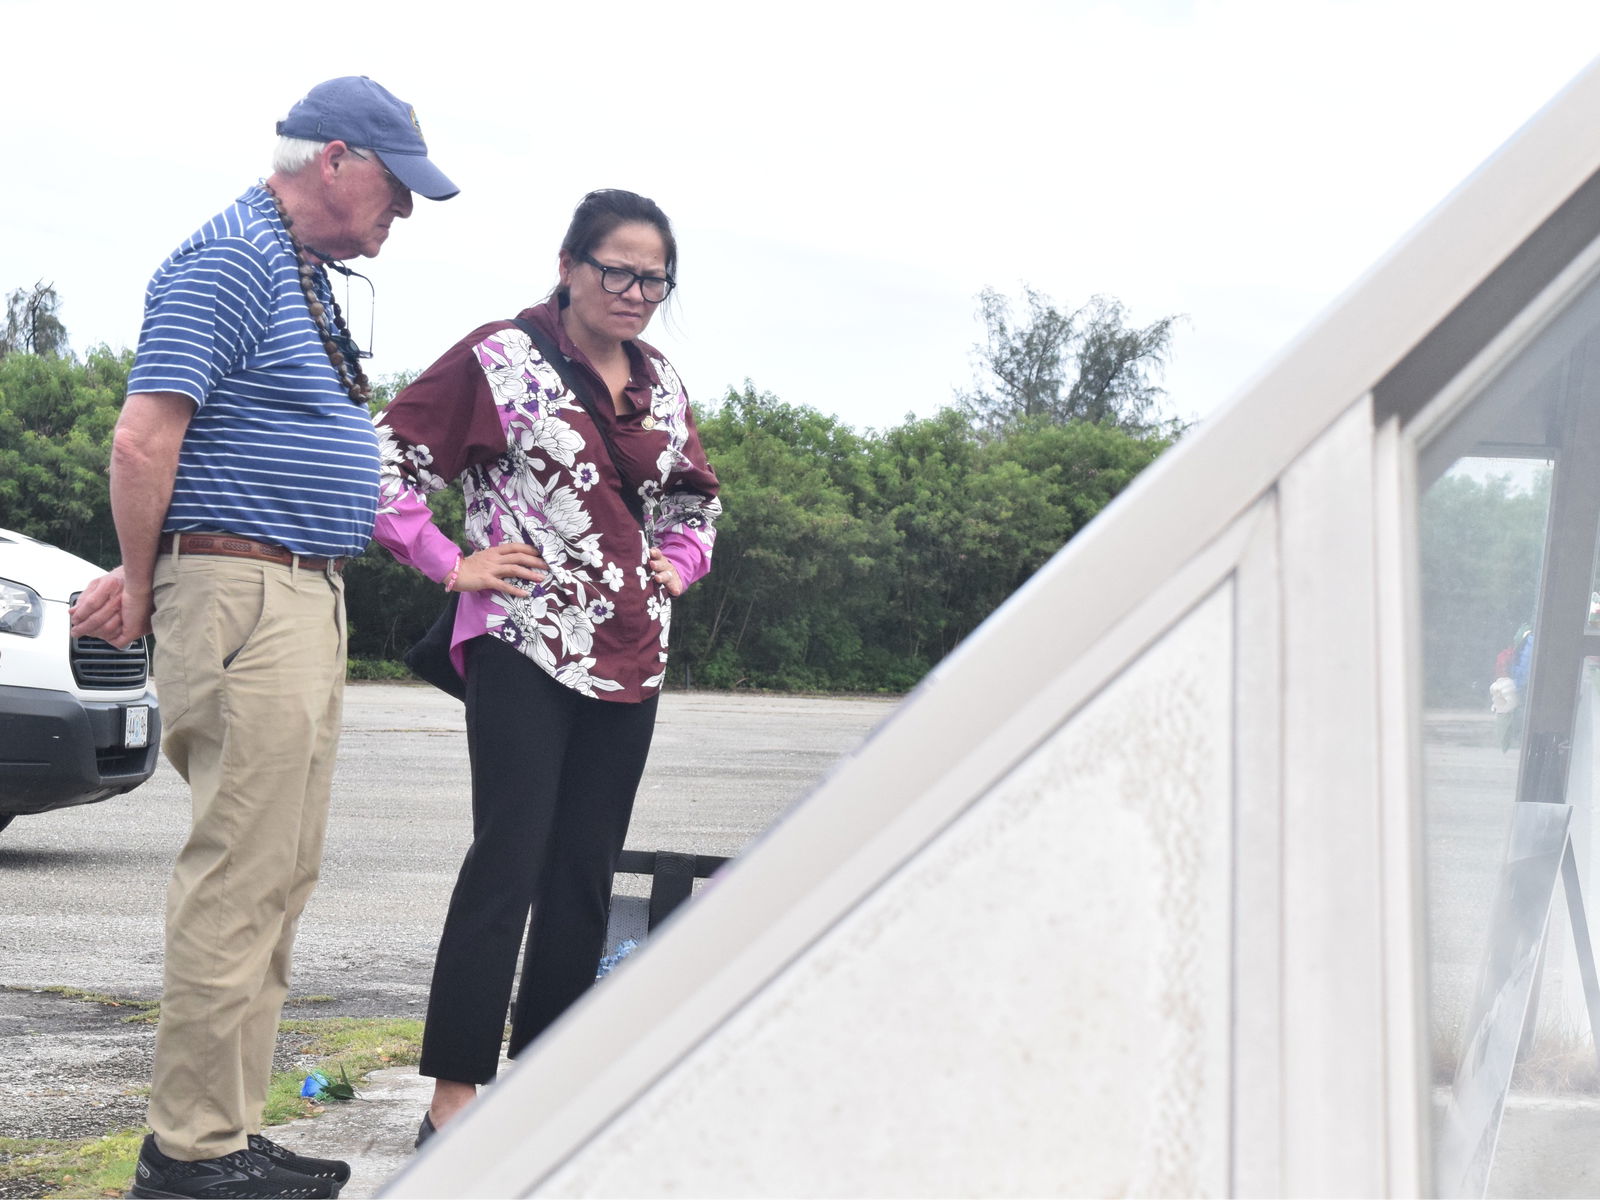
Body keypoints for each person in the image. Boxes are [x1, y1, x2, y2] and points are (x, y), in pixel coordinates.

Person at [69, 76, 458, 1199]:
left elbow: (215, 457)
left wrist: (164, 564)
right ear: (335, 159)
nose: (406, 216)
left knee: (278, 875)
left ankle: (224, 1132)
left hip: (287, 591)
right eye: (397, 189)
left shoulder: (294, 270)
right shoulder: (232, 257)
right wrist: (151, 583)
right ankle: (189, 1153)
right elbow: (145, 441)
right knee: (240, 876)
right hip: (248, 600)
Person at [370, 188, 720, 1144]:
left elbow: (695, 506)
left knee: (584, 872)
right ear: (569, 266)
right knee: (509, 861)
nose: (637, 291)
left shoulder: (664, 385)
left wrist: (677, 565)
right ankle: (452, 1102)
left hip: (631, 659)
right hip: (522, 641)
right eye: (618, 270)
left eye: (656, 277)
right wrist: (451, 562)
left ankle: (550, 1089)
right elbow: (386, 463)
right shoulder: (501, 358)